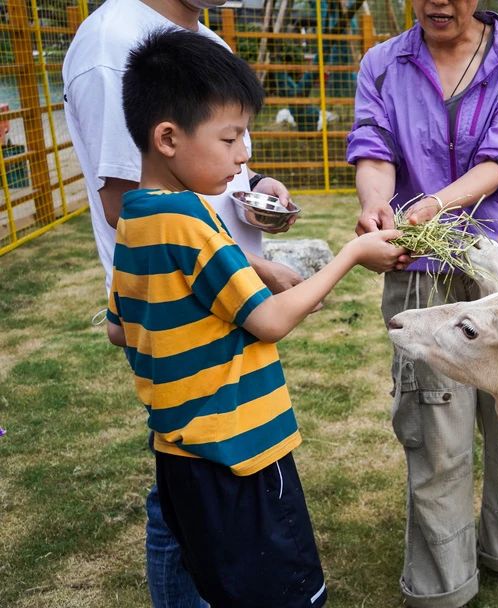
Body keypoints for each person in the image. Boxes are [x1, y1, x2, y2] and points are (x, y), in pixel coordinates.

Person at [106, 28, 408, 607]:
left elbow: (120, 325)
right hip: (239, 454)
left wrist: (249, 277)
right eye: (231, 137)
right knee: (283, 593)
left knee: (220, 585)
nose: (244, 153)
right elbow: (269, 322)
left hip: (178, 454)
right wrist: (351, 256)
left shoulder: (136, 219)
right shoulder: (192, 221)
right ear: (168, 138)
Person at [62, 0, 304, 604]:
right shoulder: (111, 43)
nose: (242, 148)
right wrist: (253, 272)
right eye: (234, 138)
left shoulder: (205, 40)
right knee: (195, 492)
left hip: (221, 299)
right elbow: (128, 205)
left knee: (195, 483)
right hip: (203, 303)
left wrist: (255, 191)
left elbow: (210, 167)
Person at [346, 1, 498, 606]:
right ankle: (443, 588)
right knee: (436, 433)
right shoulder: (383, 63)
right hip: (421, 269)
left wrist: (430, 207)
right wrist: (379, 205)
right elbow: (374, 144)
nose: (438, 1)